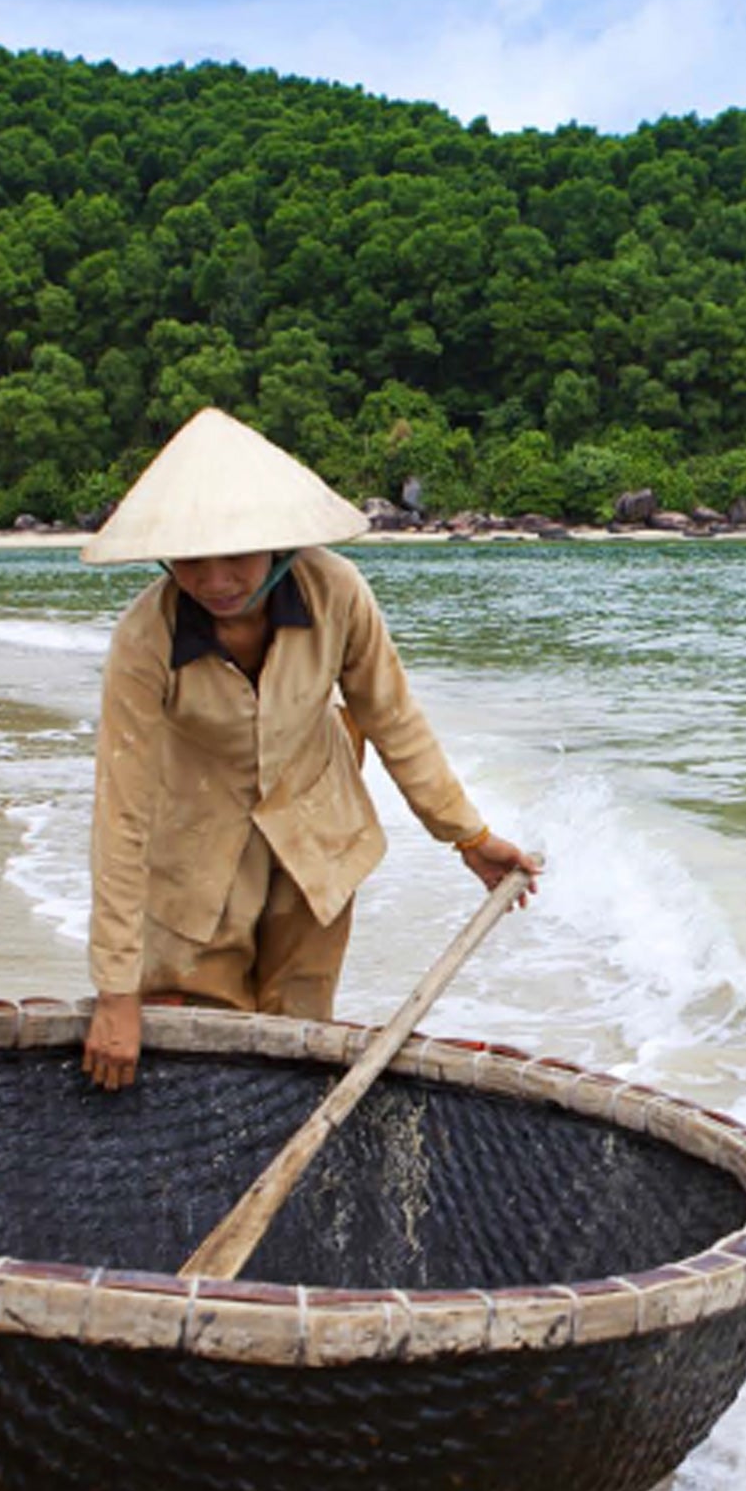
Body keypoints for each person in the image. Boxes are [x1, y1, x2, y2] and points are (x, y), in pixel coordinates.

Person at [79, 407, 538, 1089]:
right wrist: (116, 993)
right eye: (192, 561)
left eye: (236, 553)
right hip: (191, 861)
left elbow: (392, 718)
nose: (215, 580)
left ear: (281, 542)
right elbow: (120, 812)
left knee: (297, 1041)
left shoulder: (337, 593)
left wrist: (468, 836)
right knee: (203, 1053)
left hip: (315, 845)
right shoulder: (145, 639)